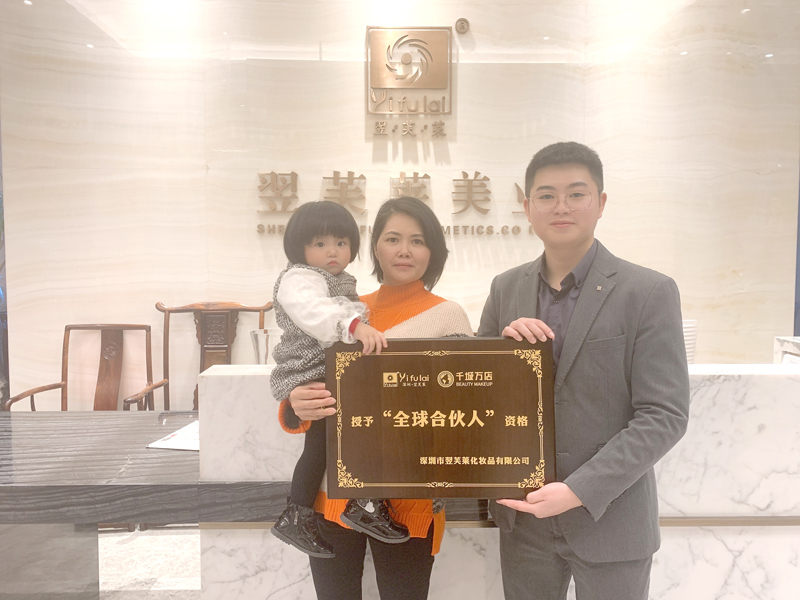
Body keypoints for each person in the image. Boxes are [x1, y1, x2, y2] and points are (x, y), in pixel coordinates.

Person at [478, 142, 690, 600]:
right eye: (546, 195)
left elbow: (664, 415)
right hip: (524, 522)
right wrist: (499, 355)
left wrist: (579, 490)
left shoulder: (648, 291)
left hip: (611, 518)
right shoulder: (505, 288)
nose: (561, 206)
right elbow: (481, 401)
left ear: (601, 203)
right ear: (527, 207)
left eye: (576, 194)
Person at [279, 196, 474, 600]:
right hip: (330, 497)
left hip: (408, 502)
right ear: (374, 248)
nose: (405, 250)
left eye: (418, 240)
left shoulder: (448, 315)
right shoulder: (345, 313)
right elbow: (308, 375)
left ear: (433, 251)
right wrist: (295, 402)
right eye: (393, 239)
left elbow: (460, 407)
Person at [270, 201, 410, 560]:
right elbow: (316, 312)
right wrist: (355, 326)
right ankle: (349, 506)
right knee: (348, 435)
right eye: (320, 243)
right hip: (312, 369)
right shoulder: (300, 279)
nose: (332, 251)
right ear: (299, 247)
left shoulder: (333, 279)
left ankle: (318, 511)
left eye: (341, 242)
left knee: (332, 442)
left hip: (331, 369)